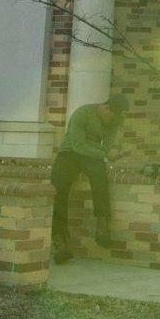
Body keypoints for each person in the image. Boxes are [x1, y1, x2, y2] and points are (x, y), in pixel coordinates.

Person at [51, 94, 127, 262]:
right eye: (111, 116)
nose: (112, 121)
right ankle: (60, 240)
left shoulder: (113, 121)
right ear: (105, 107)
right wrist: (106, 153)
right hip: (69, 153)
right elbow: (78, 145)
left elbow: (106, 146)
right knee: (58, 188)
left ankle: (102, 224)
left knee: (99, 175)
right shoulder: (82, 113)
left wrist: (107, 152)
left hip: (90, 156)